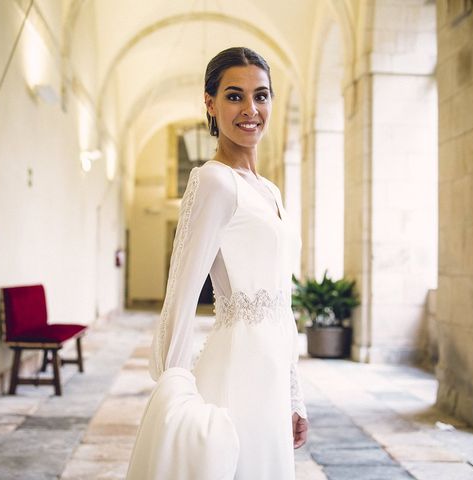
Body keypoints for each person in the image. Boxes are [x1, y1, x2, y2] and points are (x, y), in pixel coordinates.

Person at [127, 46, 308, 480]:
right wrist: (174, 390)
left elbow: (281, 305)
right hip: (236, 371)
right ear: (210, 103)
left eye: (261, 96)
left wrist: (294, 395)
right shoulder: (213, 181)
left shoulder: (271, 191)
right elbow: (181, 294)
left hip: (271, 374)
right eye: (234, 96)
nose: (250, 109)